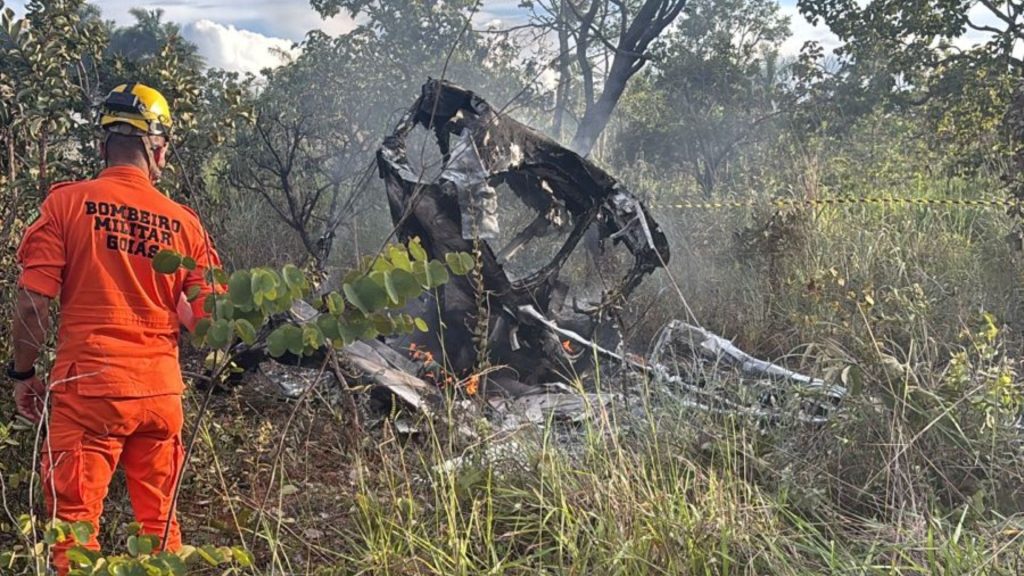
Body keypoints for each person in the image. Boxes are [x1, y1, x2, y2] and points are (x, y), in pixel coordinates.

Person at [7, 83, 220, 574]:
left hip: (89, 393)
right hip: (160, 398)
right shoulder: (185, 224)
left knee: (75, 528)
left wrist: (23, 375)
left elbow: (34, 305)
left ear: (102, 146)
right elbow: (209, 321)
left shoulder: (66, 204)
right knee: (161, 525)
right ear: (159, 149)